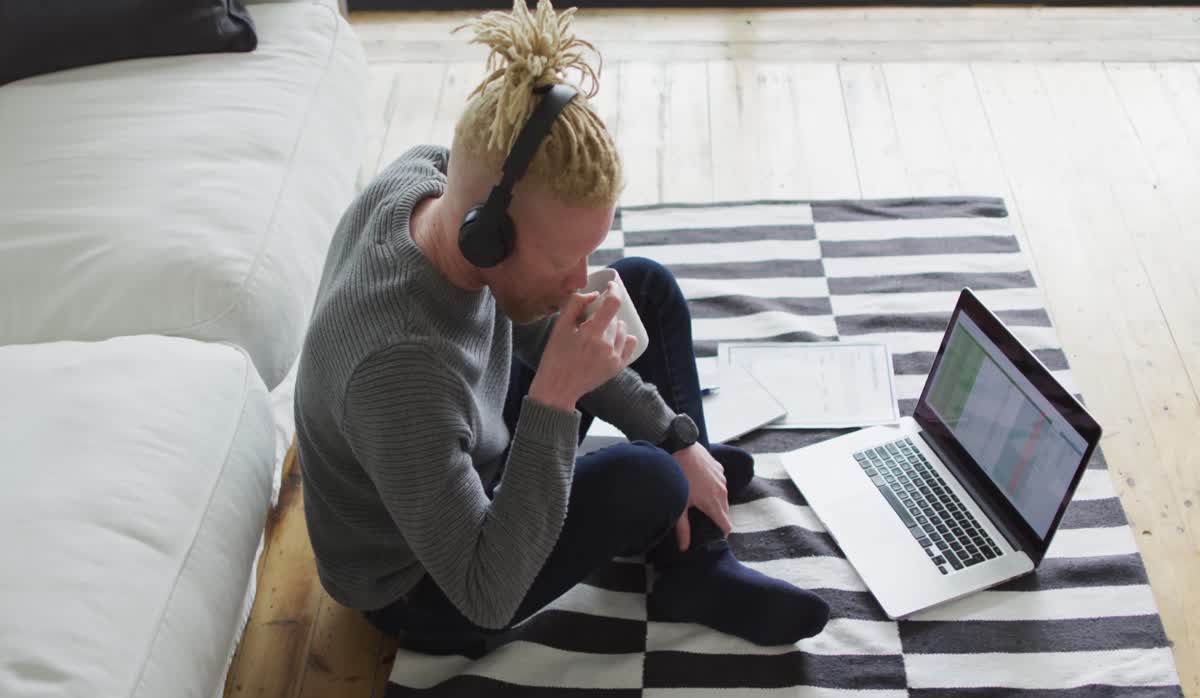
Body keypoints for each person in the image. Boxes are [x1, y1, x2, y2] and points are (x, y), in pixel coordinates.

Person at [293, 0, 829, 655]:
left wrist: (676, 434)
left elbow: (541, 321)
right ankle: (693, 551)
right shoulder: (401, 369)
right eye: (562, 259)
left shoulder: (433, 180)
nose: (580, 279)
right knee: (647, 480)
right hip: (431, 584)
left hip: (463, 445)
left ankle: (695, 534)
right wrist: (555, 398)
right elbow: (485, 593)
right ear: (488, 237)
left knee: (646, 291)